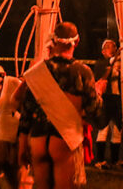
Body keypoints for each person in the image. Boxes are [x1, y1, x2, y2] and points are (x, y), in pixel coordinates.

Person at [16, 22, 100, 189]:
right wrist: (99, 94)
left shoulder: (37, 71)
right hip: (63, 137)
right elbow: (93, 109)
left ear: (54, 41)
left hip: (38, 137)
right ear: (76, 42)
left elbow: (26, 110)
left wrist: (22, 143)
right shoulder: (82, 72)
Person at [93, 39, 122, 168]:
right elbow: (103, 77)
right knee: (103, 128)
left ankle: (115, 160)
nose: (113, 49)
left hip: (117, 98)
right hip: (106, 99)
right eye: (109, 47)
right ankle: (100, 160)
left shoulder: (120, 64)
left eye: (114, 46)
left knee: (117, 129)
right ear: (103, 51)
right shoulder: (101, 64)